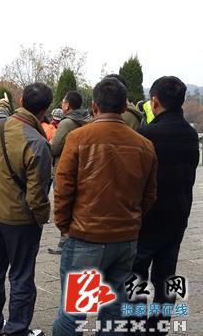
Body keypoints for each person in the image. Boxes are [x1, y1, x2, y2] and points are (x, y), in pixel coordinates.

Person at [52, 77, 158, 335]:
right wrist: (131, 221)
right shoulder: (144, 145)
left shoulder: (77, 138)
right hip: (125, 239)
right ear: (124, 107)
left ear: (94, 106)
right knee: (114, 309)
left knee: (75, 311)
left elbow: (63, 188)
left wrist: (64, 225)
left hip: (85, 237)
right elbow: (149, 195)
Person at [0, 83, 53, 336]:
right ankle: (17, 330)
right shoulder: (37, 142)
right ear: (45, 110)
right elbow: (37, 194)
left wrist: (3, 102)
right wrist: (41, 218)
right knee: (20, 277)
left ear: (21, 99)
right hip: (19, 220)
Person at [132, 76, 199, 334]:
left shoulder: (147, 135)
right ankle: (158, 327)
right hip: (177, 217)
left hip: (148, 219)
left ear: (155, 101)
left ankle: (135, 325)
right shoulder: (191, 135)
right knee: (166, 277)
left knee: (136, 276)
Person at [47, 91, 90, 255]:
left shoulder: (67, 123)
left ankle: (64, 242)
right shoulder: (86, 119)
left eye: (63, 102)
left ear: (68, 105)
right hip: (82, 167)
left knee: (64, 204)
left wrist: (50, 142)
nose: (62, 104)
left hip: (64, 166)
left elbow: (54, 147)